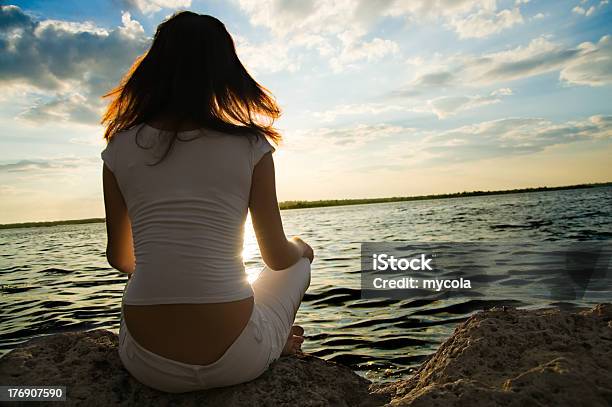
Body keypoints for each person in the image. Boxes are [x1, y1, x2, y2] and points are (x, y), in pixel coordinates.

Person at [100, 11, 314, 393]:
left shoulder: (118, 148)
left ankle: (262, 342)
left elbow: (121, 260)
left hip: (149, 366)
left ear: (153, 69)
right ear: (224, 73)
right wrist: (301, 248)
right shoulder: (252, 146)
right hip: (236, 359)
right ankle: (271, 345)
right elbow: (276, 259)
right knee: (296, 265)